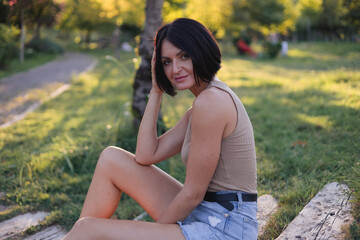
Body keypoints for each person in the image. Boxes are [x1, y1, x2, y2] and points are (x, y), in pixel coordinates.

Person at [63, 18, 258, 240]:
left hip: (226, 228)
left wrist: (157, 231)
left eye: (184, 56)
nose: (175, 69)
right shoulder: (203, 102)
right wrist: (156, 91)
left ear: (201, 51)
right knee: (111, 159)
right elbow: (147, 155)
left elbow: (193, 194)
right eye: (166, 61)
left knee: (87, 229)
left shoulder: (210, 103)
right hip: (208, 212)